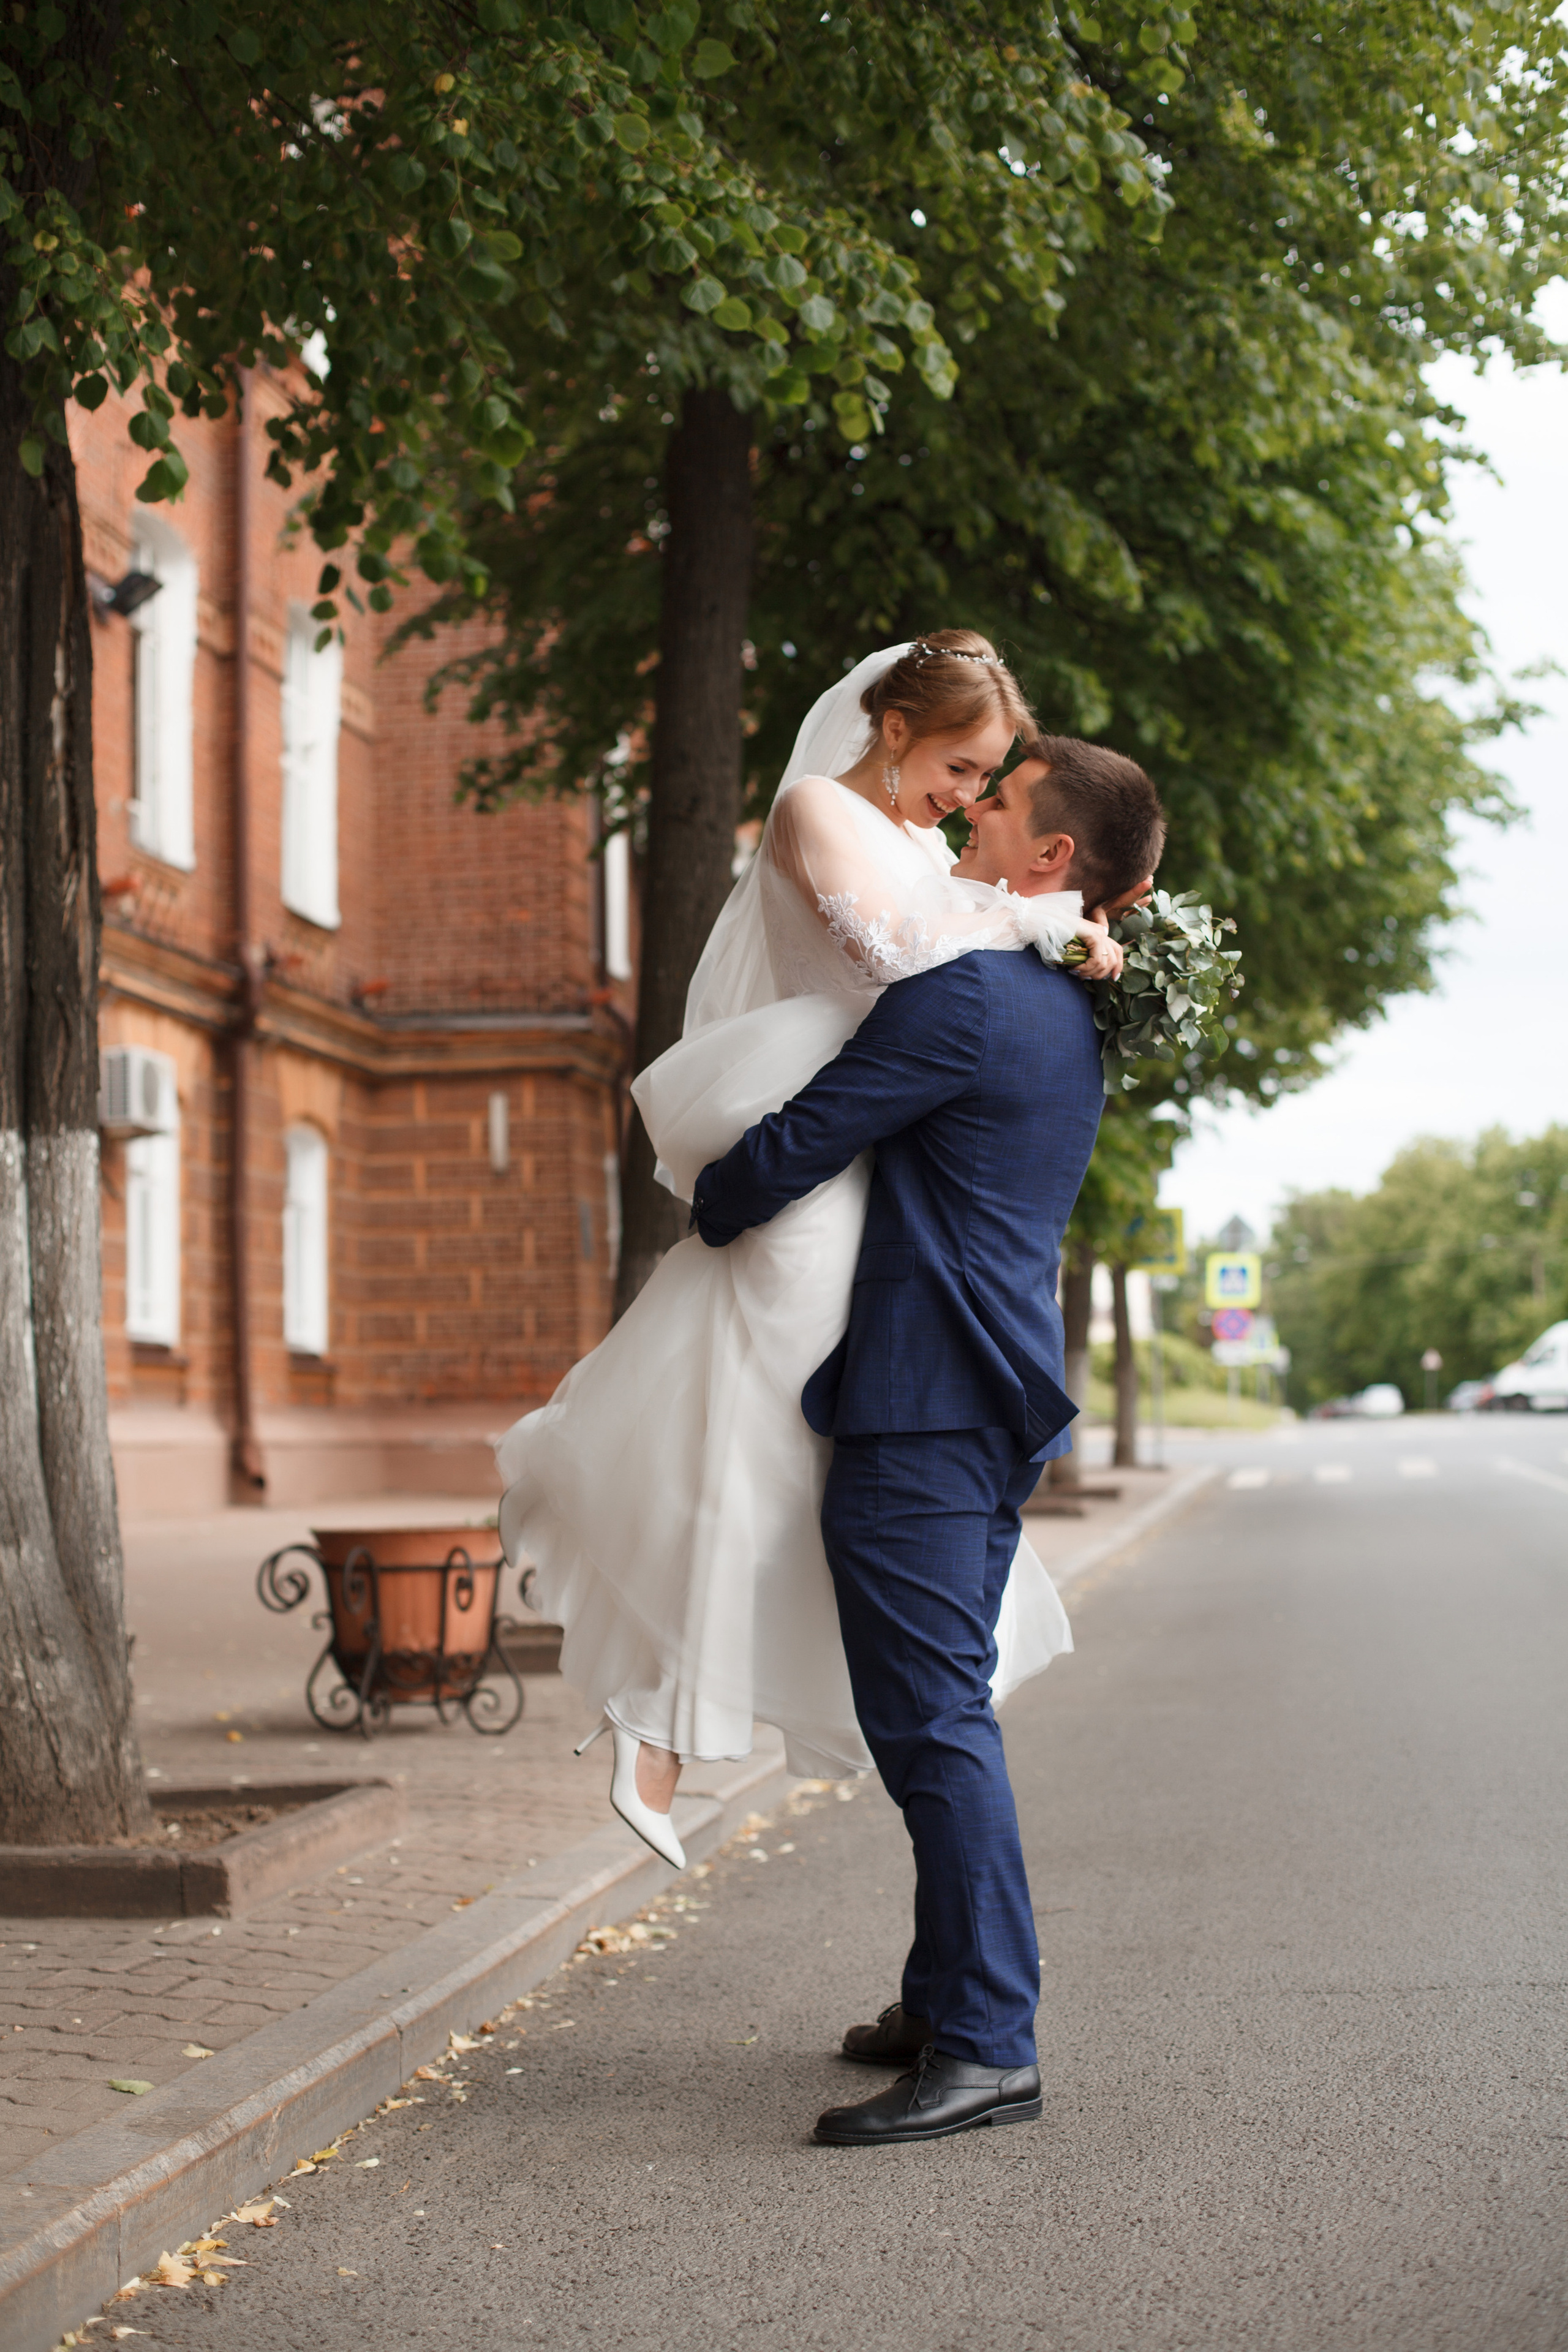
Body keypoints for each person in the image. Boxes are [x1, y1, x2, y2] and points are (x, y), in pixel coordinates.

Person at [494, 636, 1144, 1869]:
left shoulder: (926, 853)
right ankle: (659, 1722)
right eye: (960, 764)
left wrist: (1044, 923)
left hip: (870, 1158)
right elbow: (907, 968)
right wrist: (1050, 923)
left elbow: (956, 953)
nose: (966, 794)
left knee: (791, 1463)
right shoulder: (812, 811)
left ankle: (715, 1718)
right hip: (818, 1155)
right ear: (891, 727)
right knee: (742, 1436)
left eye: (989, 777)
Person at [689, 731, 1165, 2145]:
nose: (968, 819)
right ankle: (939, 1992)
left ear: (1050, 858)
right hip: (986, 1389)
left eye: (999, 804)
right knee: (938, 1704)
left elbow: (802, 1141)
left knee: (932, 1720)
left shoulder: (966, 1001)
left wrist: (703, 1193)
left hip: (925, 1402)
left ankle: (987, 2042)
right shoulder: (1062, 1002)